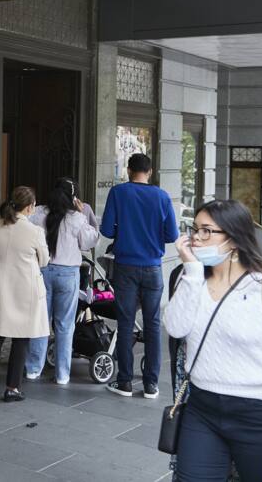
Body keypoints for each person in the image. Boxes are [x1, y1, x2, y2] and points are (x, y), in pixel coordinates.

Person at [163, 199, 262, 481]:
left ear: (233, 238)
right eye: (194, 229)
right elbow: (175, 327)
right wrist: (193, 271)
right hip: (202, 409)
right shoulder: (191, 279)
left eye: (207, 231)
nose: (196, 238)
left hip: (258, 417)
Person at [100, 153, 178, 399]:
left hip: (125, 267)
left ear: (128, 170)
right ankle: (151, 385)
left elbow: (105, 229)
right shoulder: (162, 196)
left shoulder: (118, 193)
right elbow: (172, 235)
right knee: (153, 325)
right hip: (153, 268)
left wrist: (125, 231)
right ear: (150, 171)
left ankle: (124, 382)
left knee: (125, 324)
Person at [0, 186, 50, 401]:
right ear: (29, 207)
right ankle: (12, 388)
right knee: (21, 339)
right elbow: (44, 261)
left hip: (1, 287)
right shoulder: (35, 231)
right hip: (26, 290)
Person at [25, 177, 99, 385]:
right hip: (68, 274)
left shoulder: (39, 213)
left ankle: (33, 369)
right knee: (65, 325)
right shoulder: (77, 217)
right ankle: (62, 375)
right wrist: (83, 212)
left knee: (40, 322)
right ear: (73, 197)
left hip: (42, 272)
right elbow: (89, 241)